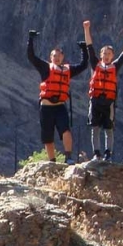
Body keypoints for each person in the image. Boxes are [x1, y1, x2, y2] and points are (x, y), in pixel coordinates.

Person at [27, 30, 89, 164]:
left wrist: (84, 49)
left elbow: (84, 65)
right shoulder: (45, 68)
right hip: (46, 108)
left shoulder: (68, 70)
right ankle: (52, 161)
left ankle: (68, 157)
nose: (57, 58)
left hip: (60, 107)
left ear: (63, 57)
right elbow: (31, 57)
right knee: (47, 137)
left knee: (66, 130)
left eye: (59, 55)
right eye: (54, 55)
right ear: (51, 57)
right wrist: (30, 40)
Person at [83, 20, 123, 161]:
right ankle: (97, 154)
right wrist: (86, 28)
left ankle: (108, 154)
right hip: (96, 100)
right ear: (101, 55)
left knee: (109, 129)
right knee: (95, 128)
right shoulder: (95, 64)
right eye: (104, 53)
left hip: (109, 102)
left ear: (112, 56)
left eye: (109, 54)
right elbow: (89, 46)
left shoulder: (115, 67)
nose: (106, 56)